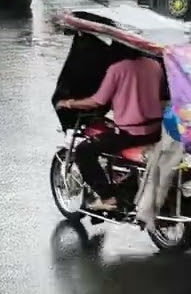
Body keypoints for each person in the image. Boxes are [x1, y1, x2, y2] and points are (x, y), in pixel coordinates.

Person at [56, 53, 165, 211]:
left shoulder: (117, 69)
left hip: (129, 135)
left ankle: (107, 198)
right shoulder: (155, 65)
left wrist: (69, 103)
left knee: (83, 151)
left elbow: (97, 101)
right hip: (155, 131)